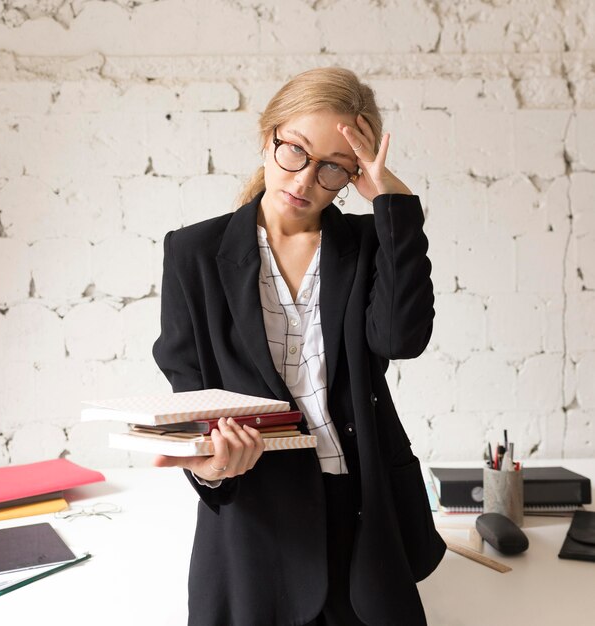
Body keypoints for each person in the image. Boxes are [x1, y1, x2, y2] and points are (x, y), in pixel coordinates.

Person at [152, 66, 446, 626]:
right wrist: (213, 466)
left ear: (353, 173)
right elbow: (189, 389)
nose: (306, 180)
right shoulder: (193, 252)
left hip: (362, 519)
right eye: (295, 151)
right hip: (258, 528)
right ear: (269, 137)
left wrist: (396, 206)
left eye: (334, 166)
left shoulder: (364, 244)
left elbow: (400, 339)